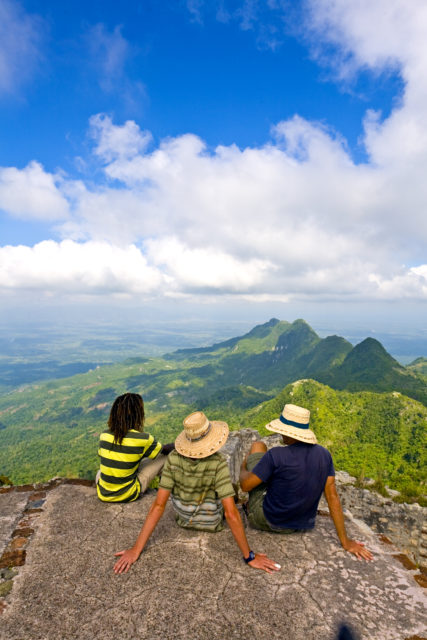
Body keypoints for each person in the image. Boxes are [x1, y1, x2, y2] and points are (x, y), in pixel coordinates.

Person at [113, 411, 281, 574]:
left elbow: (158, 505)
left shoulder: (173, 458)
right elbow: (231, 514)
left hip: (184, 520)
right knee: (230, 489)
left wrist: (136, 549)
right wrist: (249, 557)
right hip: (212, 521)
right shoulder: (217, 463)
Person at [239, 403, 373, 561]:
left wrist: (243, 466)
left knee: (257, 446)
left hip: (270, 520)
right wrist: (346, 541)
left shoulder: (275, 455)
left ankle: (251, 509)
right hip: (301, 523)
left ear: (289, 433)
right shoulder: (324, 455)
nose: (280, 434)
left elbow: (245, 486)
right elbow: (332, 497)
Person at [96, 393, 174, 503]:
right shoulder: (143, 439)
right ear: (138, 414)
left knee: (102, 470)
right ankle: (166, 492)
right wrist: (179, 444)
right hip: (128, 493)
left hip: (103, 492)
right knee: (164, 458)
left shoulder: (104, 435)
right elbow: (164, 450)